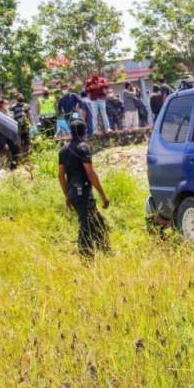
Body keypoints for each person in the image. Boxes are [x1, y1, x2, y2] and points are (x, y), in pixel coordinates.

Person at [58, 120, 111, 257]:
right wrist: (103, 195)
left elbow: (61, 175)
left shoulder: (63, 150)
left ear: (70, 132)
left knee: (97, 222)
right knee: (86, 225)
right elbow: (90, 173)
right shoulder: (83, 147)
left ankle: (105, 250)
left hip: (73, 192)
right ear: (84, 132)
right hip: (83, 193)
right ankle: (86, 257)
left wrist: (67, 195)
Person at [84, 69, 111, 134]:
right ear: (91, 73)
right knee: (94, 115)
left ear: (97, 72)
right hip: (93, 100)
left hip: (101, 98)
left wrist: (100, 85)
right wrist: (91, 87)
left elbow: (107, 85)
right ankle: (95, 131)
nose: (95, 73)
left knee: (104, 114)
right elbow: (86, 90)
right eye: (93, 72)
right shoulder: (88, 81)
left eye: (96, 72)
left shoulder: (101, 79)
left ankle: (108, 129)